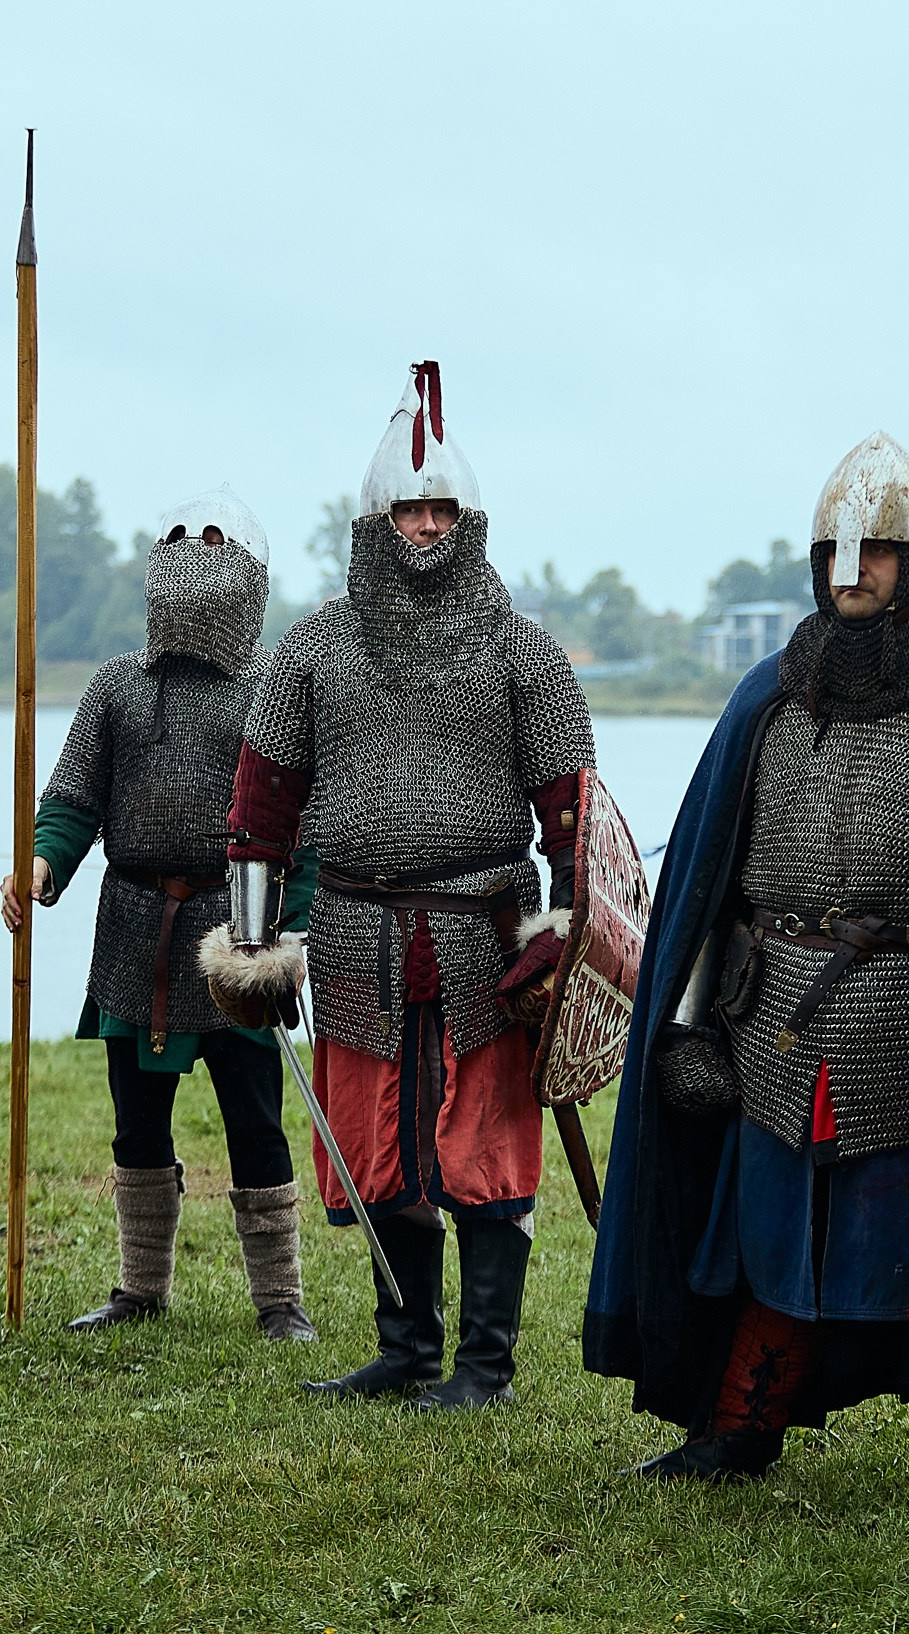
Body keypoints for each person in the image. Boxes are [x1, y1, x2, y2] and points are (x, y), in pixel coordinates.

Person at [583, 432, 909, 1531]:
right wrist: (684, 1025)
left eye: (875, 552)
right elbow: (711, 885)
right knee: (772, 1231)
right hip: (774, 1013)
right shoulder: (773, 695)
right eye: (835, 553)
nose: (851, 572)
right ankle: (738, 1428)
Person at [206, 362, 594, 1411]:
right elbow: (260, 807)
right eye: (407, 509)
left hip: (485, 933)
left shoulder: (524, 653)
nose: (424, 525)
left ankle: (483, 1366)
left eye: (439, 509)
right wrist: (251, 945)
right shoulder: (314, 649)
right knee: (379, 1147)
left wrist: (563, 934)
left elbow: (573, 811)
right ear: (375, 523)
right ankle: (404, 1349)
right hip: (354, 931)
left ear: (466, 521)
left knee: (480, 1148)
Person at [0, 489, 317, 1342]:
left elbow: (304, 825)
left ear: (247, 579)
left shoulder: (272, 691)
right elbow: (72, 800)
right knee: (136, 1119)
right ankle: (140, 1288)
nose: (194, 557)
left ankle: (280, 1300)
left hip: (238, 928)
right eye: (180, 544)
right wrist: (41, 861)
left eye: (215, 547)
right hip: (136, 924)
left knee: (255, 1118)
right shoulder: (114, 687)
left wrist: (291, 934)